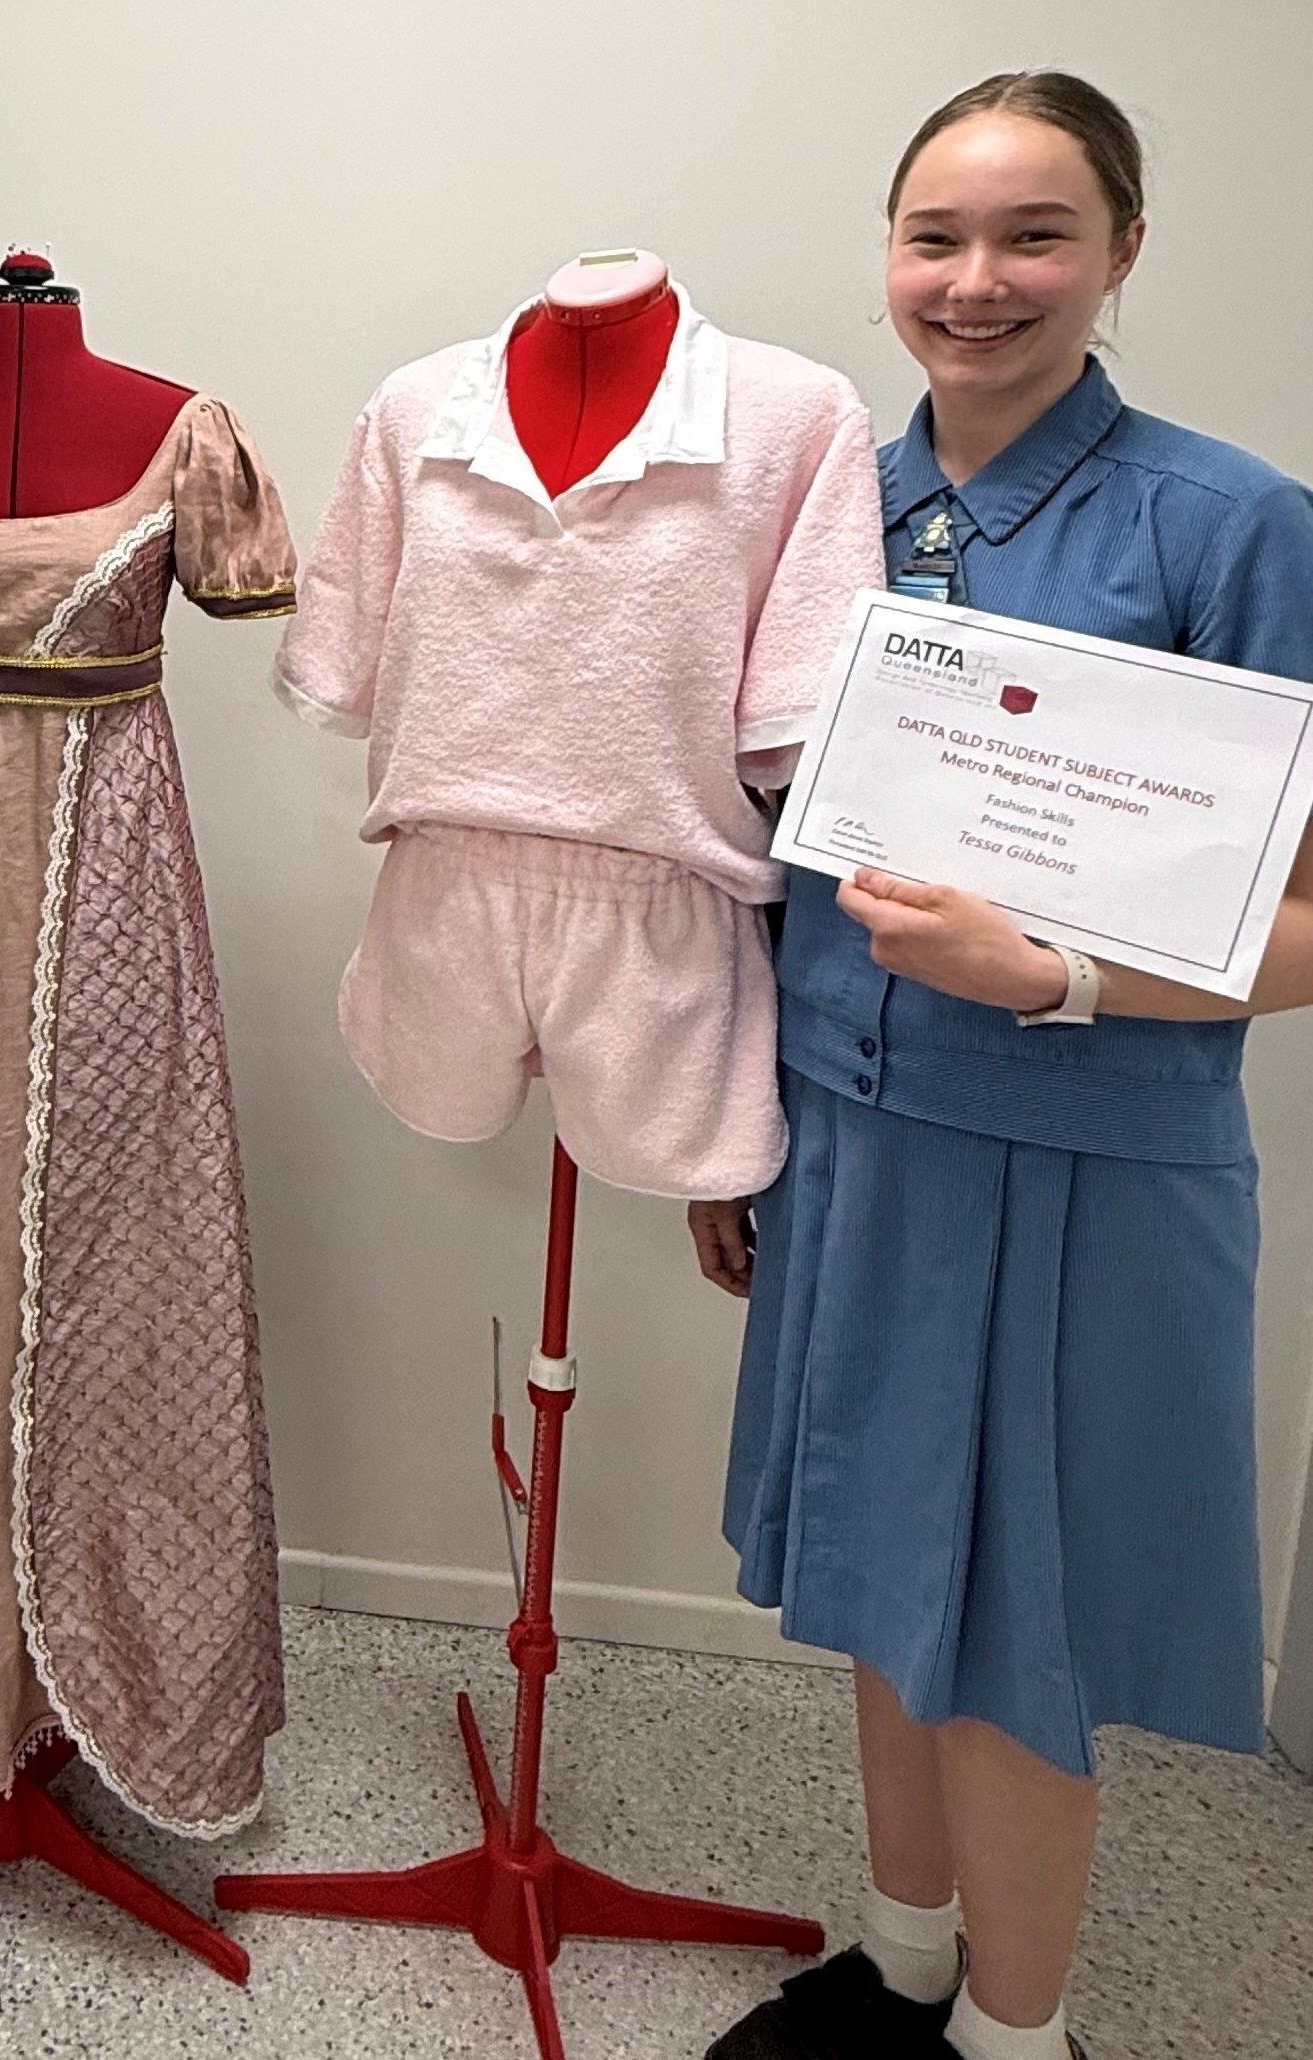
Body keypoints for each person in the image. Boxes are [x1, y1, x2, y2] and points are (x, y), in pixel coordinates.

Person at [694, 72, 1313, 2060]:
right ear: (887, 257)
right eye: (935, 237)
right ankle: (901, 1966)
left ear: (1124, 251)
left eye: (1036, 235)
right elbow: (756, 845)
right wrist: (736, 1129)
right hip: (847, 1134)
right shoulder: (827, 519)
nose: (977, 281)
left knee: (1013, 1630)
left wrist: (1056, 976)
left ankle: (1015, 2039)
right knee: (881, 1574)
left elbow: (1310, 923)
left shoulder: (1232, 528)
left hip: (1080, 1158)